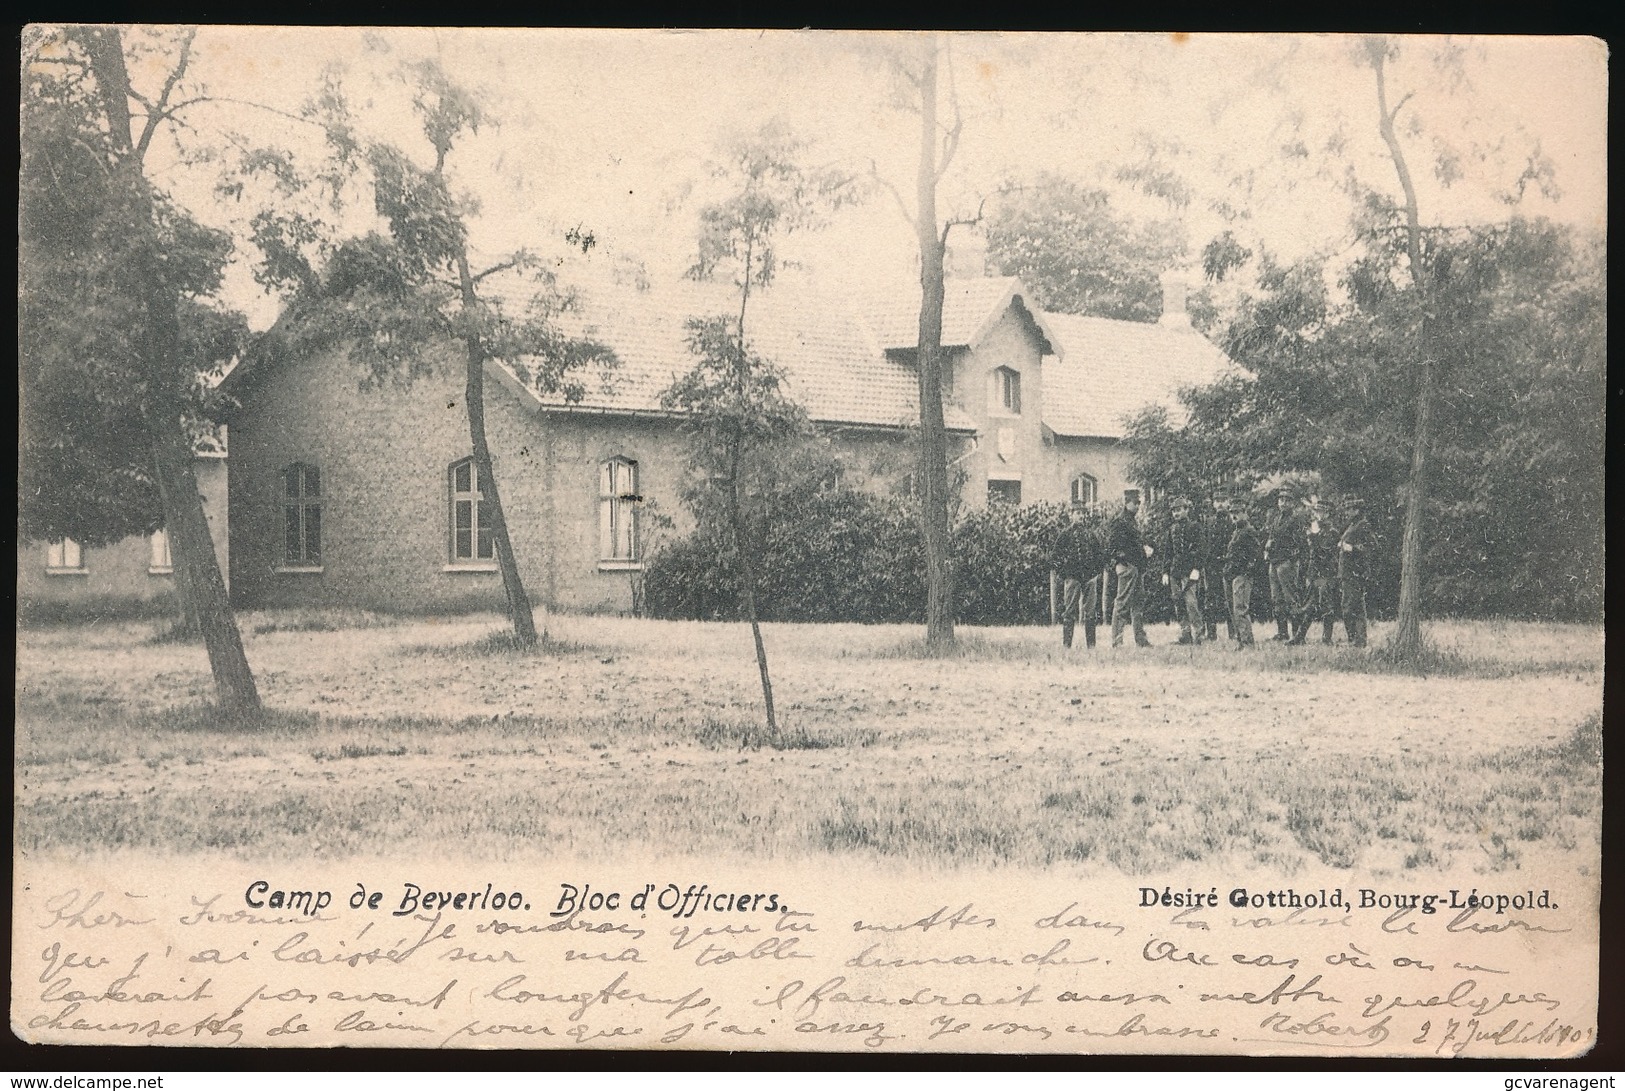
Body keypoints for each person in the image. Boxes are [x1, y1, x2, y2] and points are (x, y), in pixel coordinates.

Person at [1050, 501, 1103, 649]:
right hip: (1072, 578)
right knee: (1069, 611)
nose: (1080, 516)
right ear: (1071, 515)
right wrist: (1064, 573)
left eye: (1082, 513)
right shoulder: (1065, 535)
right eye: (1077, 513)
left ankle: (1091, 646)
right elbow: (1055, 557)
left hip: (1089, 578)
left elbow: (1099, 555)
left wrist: (1095, 574)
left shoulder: (1090, 535)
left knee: (1090, 612)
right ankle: (1067, 645)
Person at [1264, 487, 1312, 645]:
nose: (1283, 503)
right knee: (1277, 600)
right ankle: (1282, 632)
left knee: (1291, 599)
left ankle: (1297, 635)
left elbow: (1303, 544)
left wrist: (1294, 561)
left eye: (1286, 500)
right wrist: (1268, 547)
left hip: (1287, 563)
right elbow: (1271, 537)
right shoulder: (1276, 518)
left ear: (1292, 503)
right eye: (1281, 500)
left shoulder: (1295, 519)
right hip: (1274, 562)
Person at [1107, 489, 1152, 648]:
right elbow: (1113, 547)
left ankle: (1141, 639)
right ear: (1127, 502)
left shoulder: (1131, 520)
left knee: (1138, 603)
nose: (1138, 506)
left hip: (1136, 568)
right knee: (1122, 603)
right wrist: (1121, 563)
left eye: (1139, 502)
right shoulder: (1120, 521)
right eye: (1135, 502)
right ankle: (1117, 640)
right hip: (1128, 568)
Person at [1161, 496, 1205, 645]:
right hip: (1175, 572)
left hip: (1189, 572)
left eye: (1179, 510)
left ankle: (1199, 634)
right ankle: (1185, 634)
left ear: (1186, 510)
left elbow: (1201, 550)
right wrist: (1165, 572)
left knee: (1191, 603)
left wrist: (1197, 568)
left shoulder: (1195, 527)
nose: (1176, 514)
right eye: (1174, 511)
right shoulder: (1172, 530)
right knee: (1178, 603)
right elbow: (1168, 553)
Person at [1223, 499, 1263, 648]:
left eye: (1237, 512)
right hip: (1232, 574)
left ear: (1245, 514)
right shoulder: (1236, 531)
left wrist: (1247, 572)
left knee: (1240, 608)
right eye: (1232, 513)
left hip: (1242, 575)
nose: (1234, 516)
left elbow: (1256, 555)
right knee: (1234, 609)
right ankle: (1241, 640)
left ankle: (1247, 642)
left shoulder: (1249, 531)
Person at [1338, 495, 1375, 648]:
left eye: (1350, 509)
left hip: (1355, 572)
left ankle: (1356, 640)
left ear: (1357, 510)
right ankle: (1356, 640)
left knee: (1349, 607)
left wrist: (1351, 549)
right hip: (1347, 572)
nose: (1347, 512)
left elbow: (1371, 547)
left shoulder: (1363, 525)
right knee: (1354, 606)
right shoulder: (1352, 525)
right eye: (1346, 509)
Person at [1304, 497, 1340, 645]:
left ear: (1328, 514)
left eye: (1322, 512)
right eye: (1317, 511)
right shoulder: (1316, 529)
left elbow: (1324, 553)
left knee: (1326, 605)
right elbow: (1312, 556)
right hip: (1315, 572)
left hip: (1327, 573)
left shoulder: (1331, 532)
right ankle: (1300, 636)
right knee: (1310, 605)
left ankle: (1327, 638)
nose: (1319, 515)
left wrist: (1313, 537)